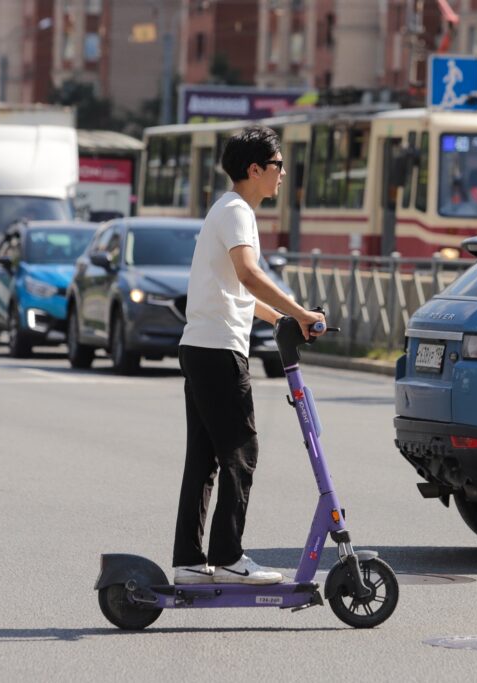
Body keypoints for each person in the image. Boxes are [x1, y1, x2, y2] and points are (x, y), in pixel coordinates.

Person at [172, 126, 326, 586]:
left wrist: (278, 320)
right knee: (241, 452)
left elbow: (235, 289)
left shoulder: (225, 210)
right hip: (218, 352)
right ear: (255, 169)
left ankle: (188, 562)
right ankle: (229, 557)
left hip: (200, 346)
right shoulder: (237, 211)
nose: (282, 175)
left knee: (204, 459)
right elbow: (248, 272)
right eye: (277, 166)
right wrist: (299, 312)